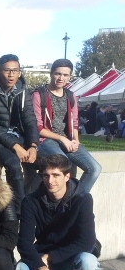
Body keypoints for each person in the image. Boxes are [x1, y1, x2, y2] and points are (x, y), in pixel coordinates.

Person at [14, 154, 100, 270]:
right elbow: (24, 242)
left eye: (56, 175)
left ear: (67, 176)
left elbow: (87, 241)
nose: (50, 180)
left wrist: (49, 256)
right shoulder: (31, 201)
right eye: (46, 175)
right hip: (44, 255)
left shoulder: (82, 199)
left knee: (89, 262)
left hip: (71, 256)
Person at [32, 59, 102, 193]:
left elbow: (74, 122)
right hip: (45, 140)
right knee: (63, 163)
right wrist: (62, 138)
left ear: (70, 77)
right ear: (51, 74)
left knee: (95, 168)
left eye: (65, 75)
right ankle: (62, 199)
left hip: (67, 139)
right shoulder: (39, 94)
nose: (61, 78)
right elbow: (37, 127)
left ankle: (77, 199)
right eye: (58, 74)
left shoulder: (71, 95)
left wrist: (76, 140)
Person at [0, 54, 39, 211]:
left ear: (19, 73)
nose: (11, 74)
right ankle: (19, 211)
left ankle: (27, 200)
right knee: (14, 165)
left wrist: (33, 145)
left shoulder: (23, 90)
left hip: (19, 137)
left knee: (48, 164)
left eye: (15, 71)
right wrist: (15, 146)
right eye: (7, 70)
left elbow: (30, 120)